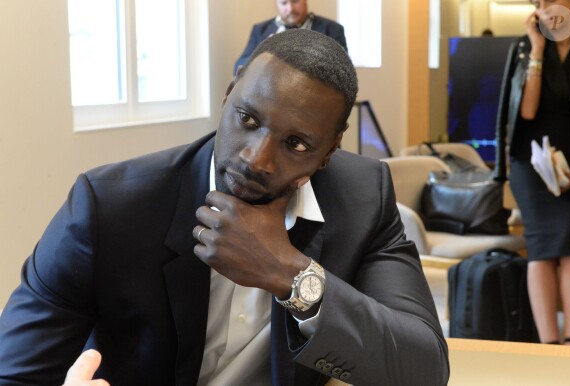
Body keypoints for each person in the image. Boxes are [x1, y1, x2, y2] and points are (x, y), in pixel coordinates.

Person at [0, 29, 449, 385]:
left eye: (295, 143)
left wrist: (291, 275)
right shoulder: (109, 208)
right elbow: (14, 373)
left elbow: (423, 368)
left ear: (328, 152)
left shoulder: (363, 196)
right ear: (229, 94)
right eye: (247, 119)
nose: (256, 158)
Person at [495, 0, 570, 345]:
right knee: (542, 245)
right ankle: (548, 345)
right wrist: (539, 48)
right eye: (540, 3)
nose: (547, 8)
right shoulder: (523, 46)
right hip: (532, 164)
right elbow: (526, 112)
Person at [233, 0, 347, 74]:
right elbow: (238, 66)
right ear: (276, 4)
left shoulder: (332, 29)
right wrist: (263, 53)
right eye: (284, 3)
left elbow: (344, 70)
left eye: (295, 1)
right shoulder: (260, 30)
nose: (290, 8)